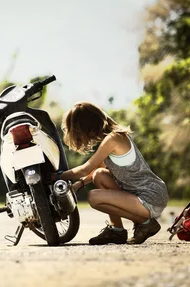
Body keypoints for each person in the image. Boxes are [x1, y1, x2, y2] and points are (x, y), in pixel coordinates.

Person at [55, 102, 169, 245]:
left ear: (86, 126)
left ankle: (146, 223)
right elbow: (96, 170)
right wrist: (80, 184)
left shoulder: (112, 139)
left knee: (94, 197)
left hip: (150, 197)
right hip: (150, 193)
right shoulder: (114, 138)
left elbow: (85, 169)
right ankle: (117, 230)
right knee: (99, 175)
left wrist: (57, 176)